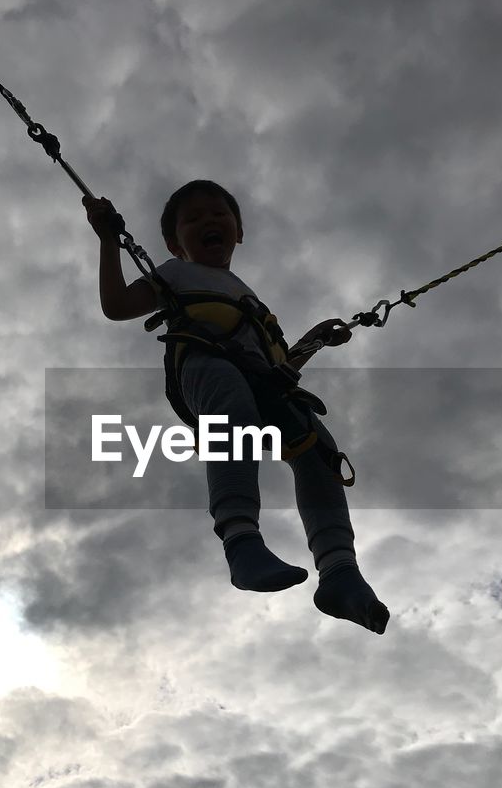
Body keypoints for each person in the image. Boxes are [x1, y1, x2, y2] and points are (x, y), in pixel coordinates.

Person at [84, 180, 389, 635]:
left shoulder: (249, 296)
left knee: (319, 451)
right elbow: (117, 305)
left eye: (218, 214)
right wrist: (108, 241)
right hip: (206, 365)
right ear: (174, 242)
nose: (208, 221)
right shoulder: (174, 272)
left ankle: (339, 572)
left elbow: (278, 364)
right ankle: (241, 541)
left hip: (262, 381)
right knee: (234, 408)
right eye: (193, 219)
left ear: (238, 230)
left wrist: (316, 339)